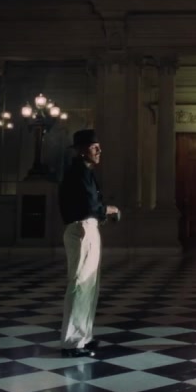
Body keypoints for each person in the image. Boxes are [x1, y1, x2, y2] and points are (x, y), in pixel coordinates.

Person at [57, 129, 118, 358]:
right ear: (82, 150)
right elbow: (90, 206)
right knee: (80, 284)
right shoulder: (78, 173)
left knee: (90, 285)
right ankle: (72, 343)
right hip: (82, 229)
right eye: (94, 147)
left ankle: (83, 337)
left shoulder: (84, 172)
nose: (99, 150)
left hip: (88, 228)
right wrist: (110, 209)